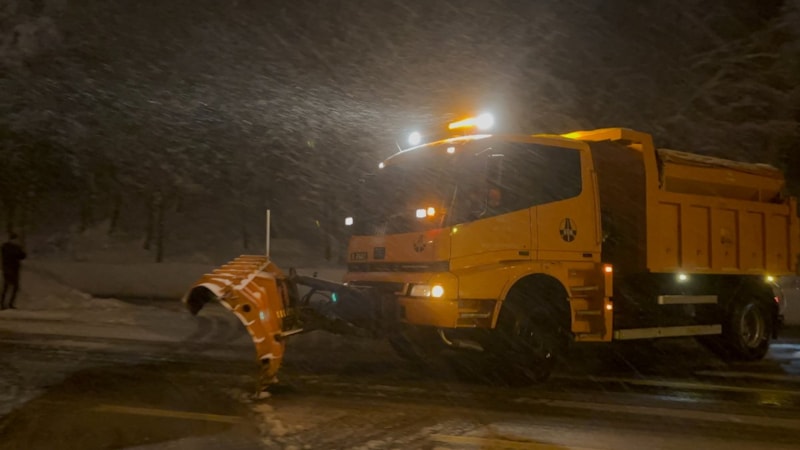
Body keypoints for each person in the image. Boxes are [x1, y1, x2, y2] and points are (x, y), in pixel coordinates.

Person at [1, 232, 26, 310]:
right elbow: (22, 256)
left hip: (9, 269)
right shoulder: (14, 247)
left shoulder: (4, 246)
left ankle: (4, 304)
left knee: (8, 287)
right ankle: (7, 304)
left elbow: (22, 256)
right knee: (12, 287)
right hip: (11, 269)